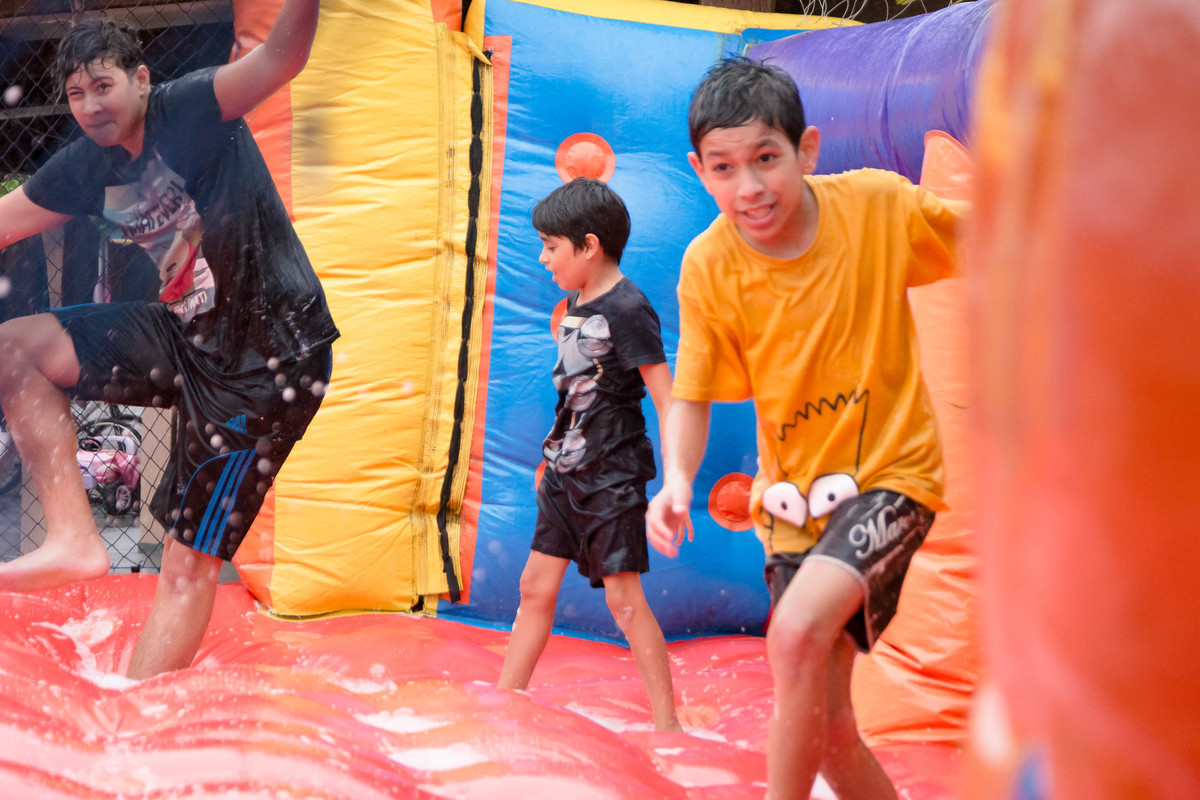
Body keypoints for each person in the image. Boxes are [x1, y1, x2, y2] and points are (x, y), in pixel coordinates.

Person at [645, 58, 964, 798]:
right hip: (793, 509)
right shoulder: (710, 266)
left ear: (807, 150)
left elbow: (995, 238)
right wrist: (679, 482)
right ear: (699, 171)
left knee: (790, 633)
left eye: (766, 160)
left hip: (893, 477)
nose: (749, 188)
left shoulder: (877, 209)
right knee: (828, 733)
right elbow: (691, 393)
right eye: (724, 169)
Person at [0, 5, 338, 680]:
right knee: (17, 345)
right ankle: (72, 538)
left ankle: (136, 712)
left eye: (104, 85)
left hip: (266, 363)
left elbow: (281, 58)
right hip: (188, 334)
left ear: (142, 79)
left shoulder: (191, 109)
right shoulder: (87, 167)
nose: (92, 105)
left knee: (187, 562)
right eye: (76, 93)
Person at [498, 177, 688, 732]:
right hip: (567, 470)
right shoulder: (579, 299)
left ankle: (667, 725)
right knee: (534, 587)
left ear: (588, 246)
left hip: (612, 474)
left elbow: (666, 395)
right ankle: (505, 701)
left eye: (551, 247)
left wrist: (677, 479)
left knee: (624, 601)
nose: (542, 258)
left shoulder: (629, 308)